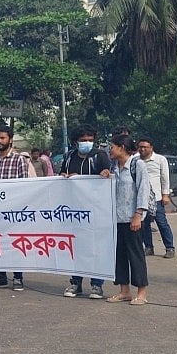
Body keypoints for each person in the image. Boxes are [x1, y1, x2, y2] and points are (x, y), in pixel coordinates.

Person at [60, 125, 112, 299]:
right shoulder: (69, 157)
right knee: (76, 247)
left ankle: (97, 284)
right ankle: (75, 282)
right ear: (76, 141)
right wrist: (64, 177)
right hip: (74, 211)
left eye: (90, 140)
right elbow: (60, 177)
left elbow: (107, 176)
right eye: (83, 141)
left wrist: (105, 174)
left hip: (96, 211)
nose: (87, 143)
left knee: (96, 247)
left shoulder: (99, 156)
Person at [105, 135, 150, 305]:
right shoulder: (113, 167)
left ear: (122, 147)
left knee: (136, 255)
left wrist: (138, 214)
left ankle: (142, 292)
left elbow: (143, 190)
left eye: (112, 147)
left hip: (133, 218)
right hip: (117, 218)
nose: (110, 150)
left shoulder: (137, 165)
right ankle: (124, 291)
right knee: (120, 255)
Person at [0, 126, 30, 290]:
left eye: (2, 138)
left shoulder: (19, 160)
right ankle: (0, 276)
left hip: (14, 210)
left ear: (10, 139)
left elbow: (24, 186)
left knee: (15, 244)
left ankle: (18, 277)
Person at [136, 137, 175, 257]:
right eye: (140, 147)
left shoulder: (160, 159)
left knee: (162, 223)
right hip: (141, 197)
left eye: (145, 147)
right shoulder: (135, 160)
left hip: (157, 197)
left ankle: (169, 247)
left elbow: (165, 178)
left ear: (151, 148)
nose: (142, 149)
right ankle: (148, 247)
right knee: (144, 224)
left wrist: (165, 195)